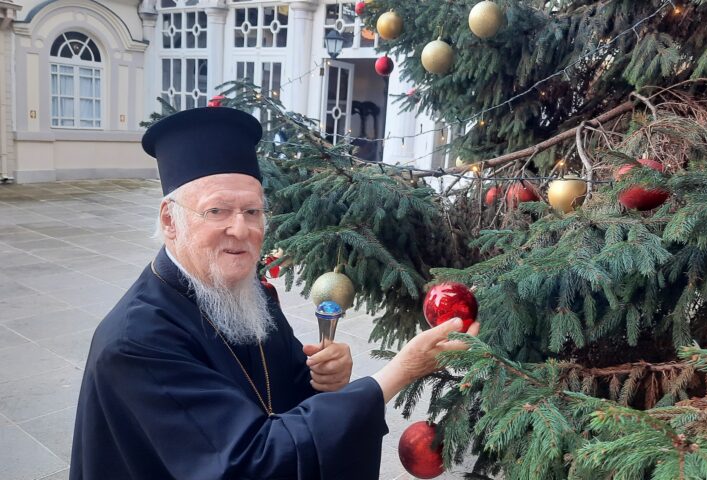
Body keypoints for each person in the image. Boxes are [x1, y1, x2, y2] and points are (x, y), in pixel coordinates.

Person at [69, 107, 479, 480]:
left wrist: (323, 379)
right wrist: (399, 372)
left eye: (252, 211)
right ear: (169, 221)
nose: (241, 229)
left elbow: (280, 391)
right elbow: (245, 462)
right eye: (217, 211)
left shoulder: (247, 294)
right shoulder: (135, 341)